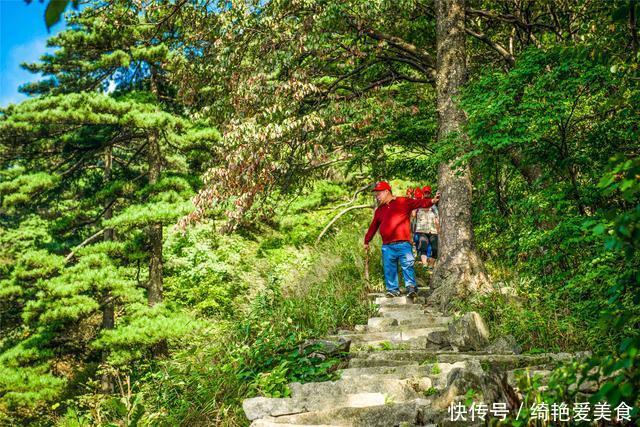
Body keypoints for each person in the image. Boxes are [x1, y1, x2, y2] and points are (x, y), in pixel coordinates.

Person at [364, 181, 440, 298]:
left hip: (403, 243)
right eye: (376, 195)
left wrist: (432, 201)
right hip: (387, 246)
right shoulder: (380, 210)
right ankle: (392, 289)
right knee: (389, 268)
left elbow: (418, 202)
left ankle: (411, 288)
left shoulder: (402, 201)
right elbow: (373, 226)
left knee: (407, 265)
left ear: (386, 191)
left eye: (379, 194)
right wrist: (366, 241)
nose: (377, 197)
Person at [414, 186, 440, 271]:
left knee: (435, 248)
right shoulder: (418, 203)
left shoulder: (434, 205)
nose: (426, 194)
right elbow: (413, 215)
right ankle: (425, 264)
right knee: (423, 247)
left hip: (433, 230)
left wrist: (439, 229)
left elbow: (437, 218)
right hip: (422, 230)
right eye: (425, 192)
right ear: (423, 193)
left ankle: (431, 264)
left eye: (428, 192)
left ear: (430, 193)